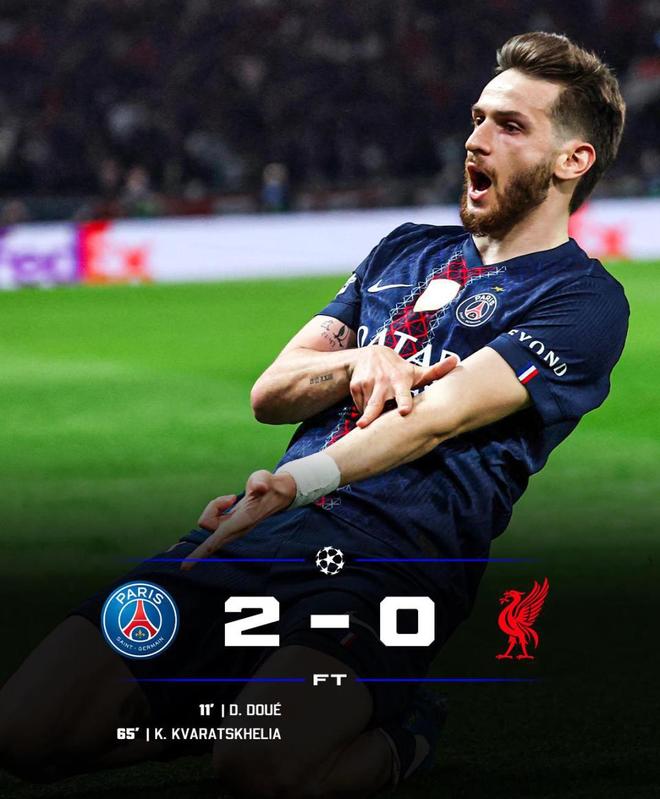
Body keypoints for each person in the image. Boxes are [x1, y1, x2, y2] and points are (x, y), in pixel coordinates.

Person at [0, 31, 628, 798]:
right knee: (25, 729)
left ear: (572, 160)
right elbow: (273, 390)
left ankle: (401, 735)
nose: (476, 139)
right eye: (476, 118)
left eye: (510, 125)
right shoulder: (403, 251)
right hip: (256, 534)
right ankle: (224, 712)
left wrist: (296, 482)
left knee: (259, 765)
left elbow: (435, 416)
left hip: (387, 566)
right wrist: (358, 359)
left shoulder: (581, 300)